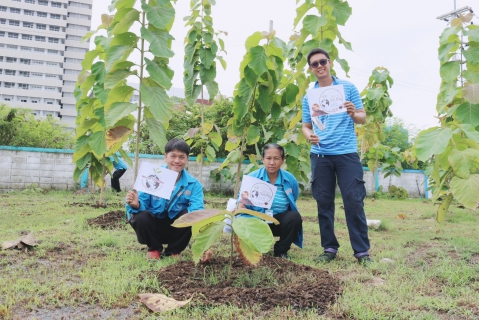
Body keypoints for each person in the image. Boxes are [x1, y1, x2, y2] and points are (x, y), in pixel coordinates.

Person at [301, 48, 372, 265]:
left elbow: (362, 118)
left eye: (323, 61)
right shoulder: (309, 96)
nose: (319, 66)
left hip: (347, 154)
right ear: (311, 69)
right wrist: (310, 136)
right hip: (321, 155)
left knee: (353, 201)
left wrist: (353, 113)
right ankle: (329, 248)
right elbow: (306, 125)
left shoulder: (347, 88)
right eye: (315, 64)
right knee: (324, 202)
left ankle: (362, 252)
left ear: (330, 63)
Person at [125, 138, 204, 259]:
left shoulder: (194, 184)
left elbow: (197, 210)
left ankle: (173, 250)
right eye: (173, 156)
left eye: (182, 157)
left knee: (190, 214)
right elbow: (141, 204)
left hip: (176, 229)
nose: (177, 161)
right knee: (140, 215)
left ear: (187, 159)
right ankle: (154, 248)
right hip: (153, 228)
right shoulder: (152, 176)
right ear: (165, 157)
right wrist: (136, 204)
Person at [238, 144, 303, 259]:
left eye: (276, 158)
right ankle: (255, 248)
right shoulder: (252, 178)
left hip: (277, 221)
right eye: (268, 158)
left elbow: (293, 198)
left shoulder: (290, 179)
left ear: (282, 161)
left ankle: (281, 252)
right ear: (263, 160)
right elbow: (241, 204)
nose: (272, 162)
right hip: (256, 222)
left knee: (294, 217)